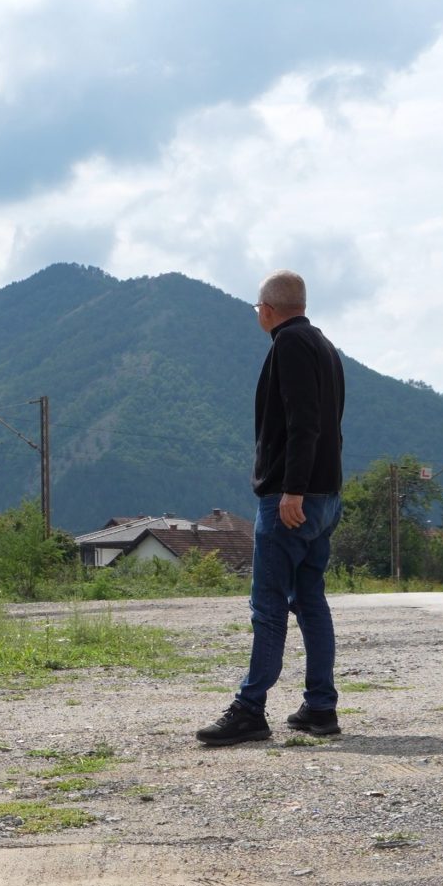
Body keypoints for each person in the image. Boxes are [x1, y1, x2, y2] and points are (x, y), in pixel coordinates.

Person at [197, 270, 346, 746]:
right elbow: (328, 426)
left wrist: (293, 490)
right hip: (326, 496)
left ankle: (250, 710)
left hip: (293, 497)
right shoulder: (325, 347)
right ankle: (320, 708)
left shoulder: (288, 346)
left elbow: (304, 423)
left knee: (268, 606)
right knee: (310, 602)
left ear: (267, 309)